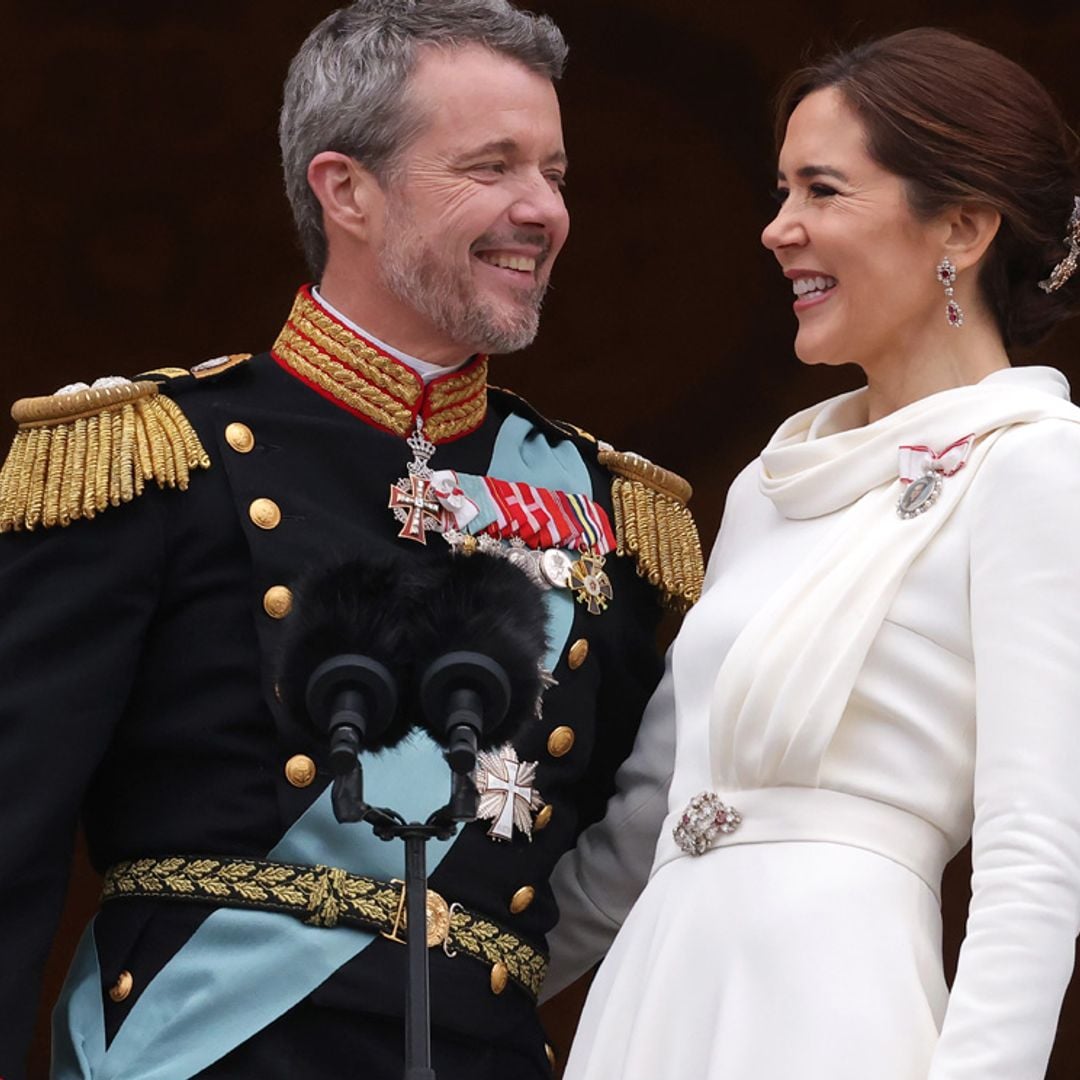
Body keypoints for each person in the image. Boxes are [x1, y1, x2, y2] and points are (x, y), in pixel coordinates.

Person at [0, 2, 704, 1078]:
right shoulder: (156, 461)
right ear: (347, 190)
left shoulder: (609, 511)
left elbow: (631, 857)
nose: (544, 211)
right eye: (494, 167)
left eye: (554, 173)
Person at [546, 27, 1080, 1080]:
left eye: (822, 191)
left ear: (963, 226)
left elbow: (1034, 861)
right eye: (781, 190)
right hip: (653, 1000)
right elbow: (641, 824)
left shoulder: (1035, 471)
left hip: (834, 1003)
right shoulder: (769, 483)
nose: (777, 229)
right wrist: (431, 989)